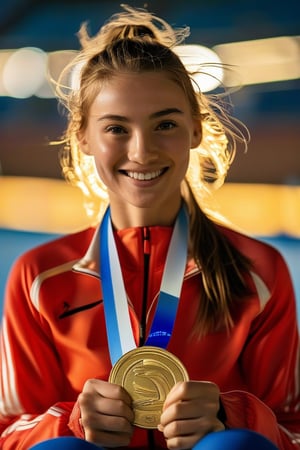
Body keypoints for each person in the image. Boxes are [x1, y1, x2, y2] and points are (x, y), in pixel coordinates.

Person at [0, 4, 299, 450]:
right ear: (83, 137)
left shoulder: (258, 269)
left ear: (195, 130)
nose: (142, 152)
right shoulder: (39, 275)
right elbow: (10, 431)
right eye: (117, 128)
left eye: (165, 124)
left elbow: (292, 428)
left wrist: (227, 416)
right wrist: (73, 425)